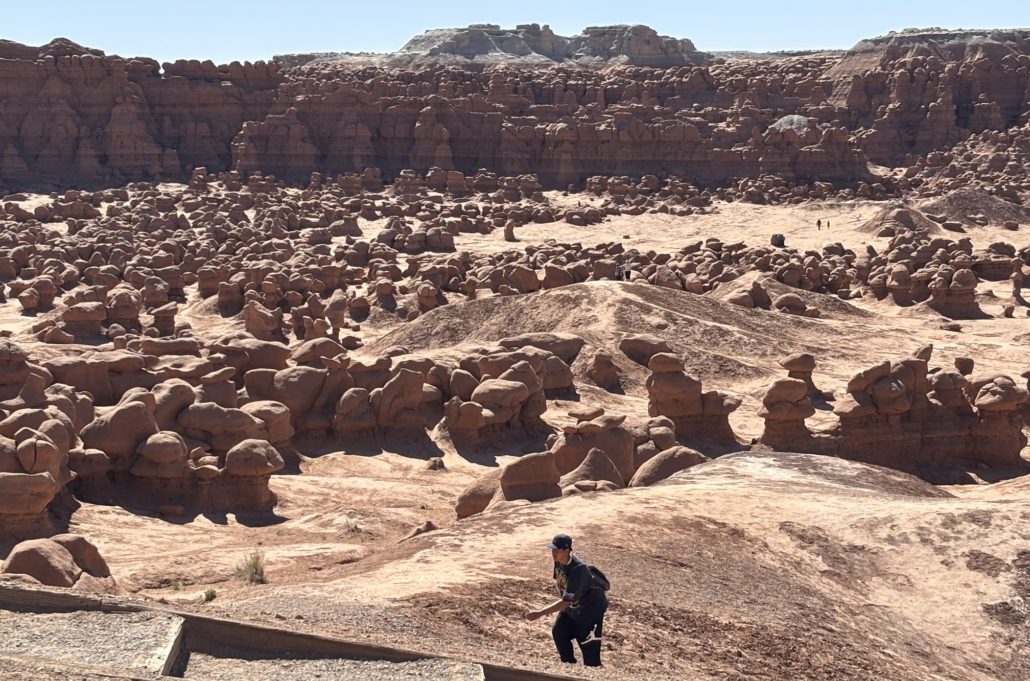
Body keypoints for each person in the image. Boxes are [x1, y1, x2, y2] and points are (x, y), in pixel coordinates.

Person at [525, 533, 608, 667]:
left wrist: (540, 613)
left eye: (556, 549)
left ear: (567, 550)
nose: (553, 552)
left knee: (590, 654)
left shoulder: (578, 570)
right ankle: (569, 667)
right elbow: (561, 585)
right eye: (552, 549)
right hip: (572, 607)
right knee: (559, 632)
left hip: (590, 611)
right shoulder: (558, 562)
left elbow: (565, 601)